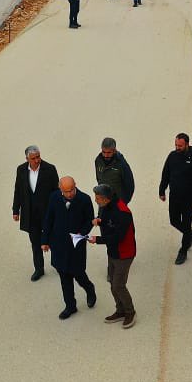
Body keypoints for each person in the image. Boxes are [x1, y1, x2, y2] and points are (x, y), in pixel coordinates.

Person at [41, 176, 97, 319]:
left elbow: (89, 221)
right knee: (64, 277)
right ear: (60, 188)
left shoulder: (84, 199)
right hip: (58, 245)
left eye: (71, 190)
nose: (69, 194)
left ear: (75, 185)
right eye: (66, 191)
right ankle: (70, 306)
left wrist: (80, 234)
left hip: (76, 245)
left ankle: (89, 288)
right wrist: (44, 240)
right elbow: (49, 219)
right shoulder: (54, 197)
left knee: (78, 274)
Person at [89, 184, 137, 328]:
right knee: (112, 283)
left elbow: (118, 236)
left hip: (124, 254)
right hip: (113, 252)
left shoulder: (123, 212)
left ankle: (130, 312)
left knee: (119, 285)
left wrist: (98, 240)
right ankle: (120, 310)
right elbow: (109, 223)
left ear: (106, 198)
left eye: (98, 198)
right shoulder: (106, 206)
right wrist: (100, 221)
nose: (96, 200)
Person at [13, 145, 59, 281]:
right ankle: (39, 269)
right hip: (30, 213)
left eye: (38, 157)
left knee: (53, 239)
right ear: (27, 158)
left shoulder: (50, 169)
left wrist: (58, 210)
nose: (37, 160)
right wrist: (15, 210)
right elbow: (18, 190)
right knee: (35, 242)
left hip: (47, 212)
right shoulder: (21, 170)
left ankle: (58, 264)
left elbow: (56, 191)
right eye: (33, 158)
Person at [158, 133, 192, 265]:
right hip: (174, 197)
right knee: (174, 221)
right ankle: (190, 234)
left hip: (189, 200)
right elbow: (166, 173)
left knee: (186, 223)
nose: (177, 148)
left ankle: (183, 251)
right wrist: (162, 190)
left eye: (180, 146)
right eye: (176, 145)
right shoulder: (172, 156)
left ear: (187, 144)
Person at [95, 137, 136, 204]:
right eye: (104, 152)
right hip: (104, 202)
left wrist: (124, 202)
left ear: (114, 150)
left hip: (119, 203)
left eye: (109, 152)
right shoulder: (98, 161)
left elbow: (130, 185)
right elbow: (99, 179)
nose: (106, 155)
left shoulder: (122, 164)